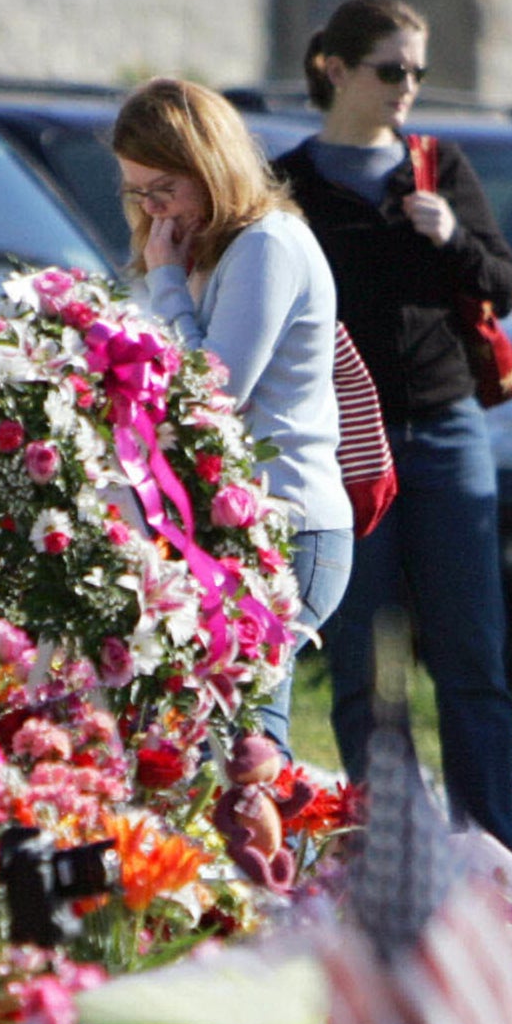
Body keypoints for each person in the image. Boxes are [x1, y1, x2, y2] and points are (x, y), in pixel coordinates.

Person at [273, 0, 512, 850]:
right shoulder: (291, 184)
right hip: (342, 442)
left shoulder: (436, 166)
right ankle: (394, 846)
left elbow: (505, 279)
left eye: (417, 71)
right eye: (391, 70)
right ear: (336, 70)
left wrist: (453, 234)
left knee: (472, 660)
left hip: (445, 427)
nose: (407, 87)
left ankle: (494, 851)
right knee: (364, 664)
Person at [112, 78, 351, 752]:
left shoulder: (266, 246)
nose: (153, 209)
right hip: (230, 523)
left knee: (247, 745)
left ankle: (294, 859)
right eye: (136, 192)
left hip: (289, 526)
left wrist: (165, 282)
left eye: (163, 187)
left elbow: (210, 396)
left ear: (210, 167)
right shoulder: (197, 247)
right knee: (221, 742)